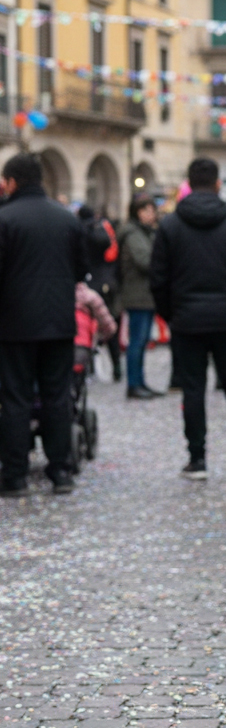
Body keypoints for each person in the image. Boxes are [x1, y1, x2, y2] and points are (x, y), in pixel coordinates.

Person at [150, 157, 226, 479]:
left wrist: (171, 314)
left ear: (188, 183)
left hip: (187, 319)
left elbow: (158, 278)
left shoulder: (169, 225)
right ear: (216, 184)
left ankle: (197, 459)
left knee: (193, 389)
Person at [0, 152, 87, 497]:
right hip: (59, 322)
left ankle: (16, 475)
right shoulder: (66, 219)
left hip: (14, 325)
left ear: (12, 182)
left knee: (16, 398)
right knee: (56, 397)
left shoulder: (4, 218)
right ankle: (60, 471)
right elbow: (81, 270)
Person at [118, 193, 161, 400]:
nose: (151, 214)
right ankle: (134, 384)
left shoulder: (145, 232)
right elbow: (144, 260)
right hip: (137, 294)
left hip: (145, 294)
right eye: (146, 210)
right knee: (137, 341)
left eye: (152, 210)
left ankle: (140, 382)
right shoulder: (134, 233)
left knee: (142, 340)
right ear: (137, 212)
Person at [78, 204, 122, 382]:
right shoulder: (102, 232)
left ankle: (87, 368)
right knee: (110, 324)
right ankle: (117, 366)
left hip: (88, 283)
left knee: (87, 328)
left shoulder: (81, 232)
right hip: (106, 282)